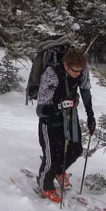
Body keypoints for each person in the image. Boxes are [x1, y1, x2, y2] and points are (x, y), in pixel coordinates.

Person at [35, 46, 96, 202]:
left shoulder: (81, 69)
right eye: (75, 71)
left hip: (70, 115)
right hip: (50, 120)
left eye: (80, 71)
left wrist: (91, 116)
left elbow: (85, 91)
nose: (78, 74)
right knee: (53, 156)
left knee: (75, 150)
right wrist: (59, 106)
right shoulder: (51, 74)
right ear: (66, 65)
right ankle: (45, 184)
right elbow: (41, 110)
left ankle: (58, 171)